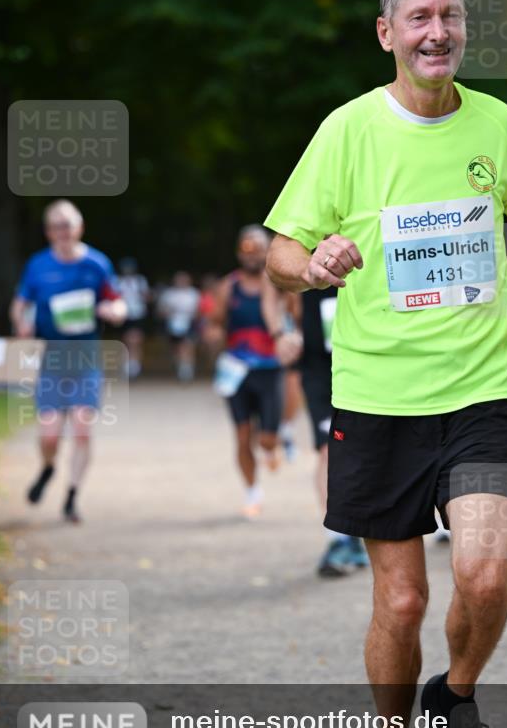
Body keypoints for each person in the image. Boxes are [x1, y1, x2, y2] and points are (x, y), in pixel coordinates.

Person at [264, 0, 507, 728]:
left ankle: (453, 696)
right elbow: (280, 247)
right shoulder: (348, 131)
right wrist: (311, 266)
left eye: (451, 16)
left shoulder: (500, 125)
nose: (437, 32)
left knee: (485, 573)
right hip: (377, 395)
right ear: (387, 33)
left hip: (481, 392)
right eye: (419, 18)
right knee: (397, 604)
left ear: (462, 27)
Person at [10, 200, 126, 523]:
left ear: (80, 228)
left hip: (86, 357)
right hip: (51, 357)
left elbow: (118, 304)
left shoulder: (97, 264)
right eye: (56, 226)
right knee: (49, 434)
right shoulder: (37, 265)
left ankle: (72, 496)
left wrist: (111, 311)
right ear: (48, 232)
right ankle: (48, 468)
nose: (63, 232)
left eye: (68, 225)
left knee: (82, 429)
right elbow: (20, 304)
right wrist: (21, 323)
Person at [206, 226, 300, 518]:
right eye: (246, 249)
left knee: (266, 438)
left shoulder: (281, 287)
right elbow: (214, 322)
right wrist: (212, 337)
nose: (252, 254)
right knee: (242, 434)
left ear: (268, 251)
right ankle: (252, 493)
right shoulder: (228, 287)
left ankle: (274, 442)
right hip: (237, 371)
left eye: (258, 248)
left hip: (271, 369)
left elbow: (296, 319)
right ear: (238, 253)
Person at [296, 285, 370, 576]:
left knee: (371, 453)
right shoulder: (300, 242)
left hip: (372, 362)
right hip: (320, 369)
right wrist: (281, 331)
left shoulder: (372, 240)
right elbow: (272, 285)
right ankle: (340, 540)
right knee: (329, 449)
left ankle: (441, 523)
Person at [156, 271, 201, 381]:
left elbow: (200, 310)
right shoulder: (169, 294)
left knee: (187, 345)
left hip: (189, 324)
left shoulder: (194, 294)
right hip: (173, 325)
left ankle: (186, 370)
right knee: (176, 348)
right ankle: (181, 366)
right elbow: (160, 311)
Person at [117, 257, 150, 379]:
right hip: (124, 313)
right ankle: (127, 365)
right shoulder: (118, 281)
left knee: (136, 340)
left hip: (138, 313)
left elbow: (147, 296)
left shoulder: (140, 281)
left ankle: (135, 366)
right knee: (126, 340)